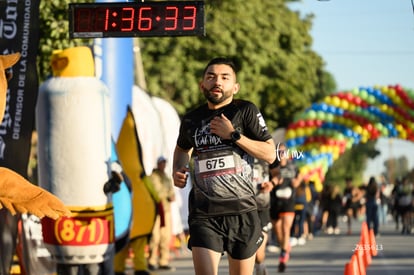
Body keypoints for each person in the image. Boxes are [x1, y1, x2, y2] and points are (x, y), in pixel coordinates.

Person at [172, 57, 276, 275]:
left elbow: (270, 153)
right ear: (202, 85)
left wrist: (234, 135)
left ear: (235, 87)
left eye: (224, 77)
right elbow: (182, 149)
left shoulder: (245, 111)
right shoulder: (192, 119)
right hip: (204, 214)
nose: (217, 81)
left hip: (242, 212)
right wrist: (178, 171)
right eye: (211, 77)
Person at [269, 143, 302, 273]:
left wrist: (297, 181)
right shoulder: (272, 166)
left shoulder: (293, 166)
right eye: (279, 152)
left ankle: (283, 257)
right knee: (278, 231)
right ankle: (285, 246)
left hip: (289, 201)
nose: (281, 154)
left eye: (283, 151)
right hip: (275, 202)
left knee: (285, 228)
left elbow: (300, 177)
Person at [148, 156, 176, 271]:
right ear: (158, 164)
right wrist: (168, 194)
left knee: (166, 237)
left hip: (166, 210)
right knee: (155, 237)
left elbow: (171, 190)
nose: (163, 165)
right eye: (161, 163)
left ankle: (163, 260)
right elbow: (158, 193)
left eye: (164, 163)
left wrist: (171, 195)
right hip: (157, 211)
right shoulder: (153, 177)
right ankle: (151, 260)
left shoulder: (166, 176)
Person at [252, 159, 274, 275]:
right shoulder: (235, 150)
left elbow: (277, 174)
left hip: (261, 207)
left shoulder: (265, 155)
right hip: (241, 208)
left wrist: (272, 183)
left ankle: (260, 266)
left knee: (259, 254)